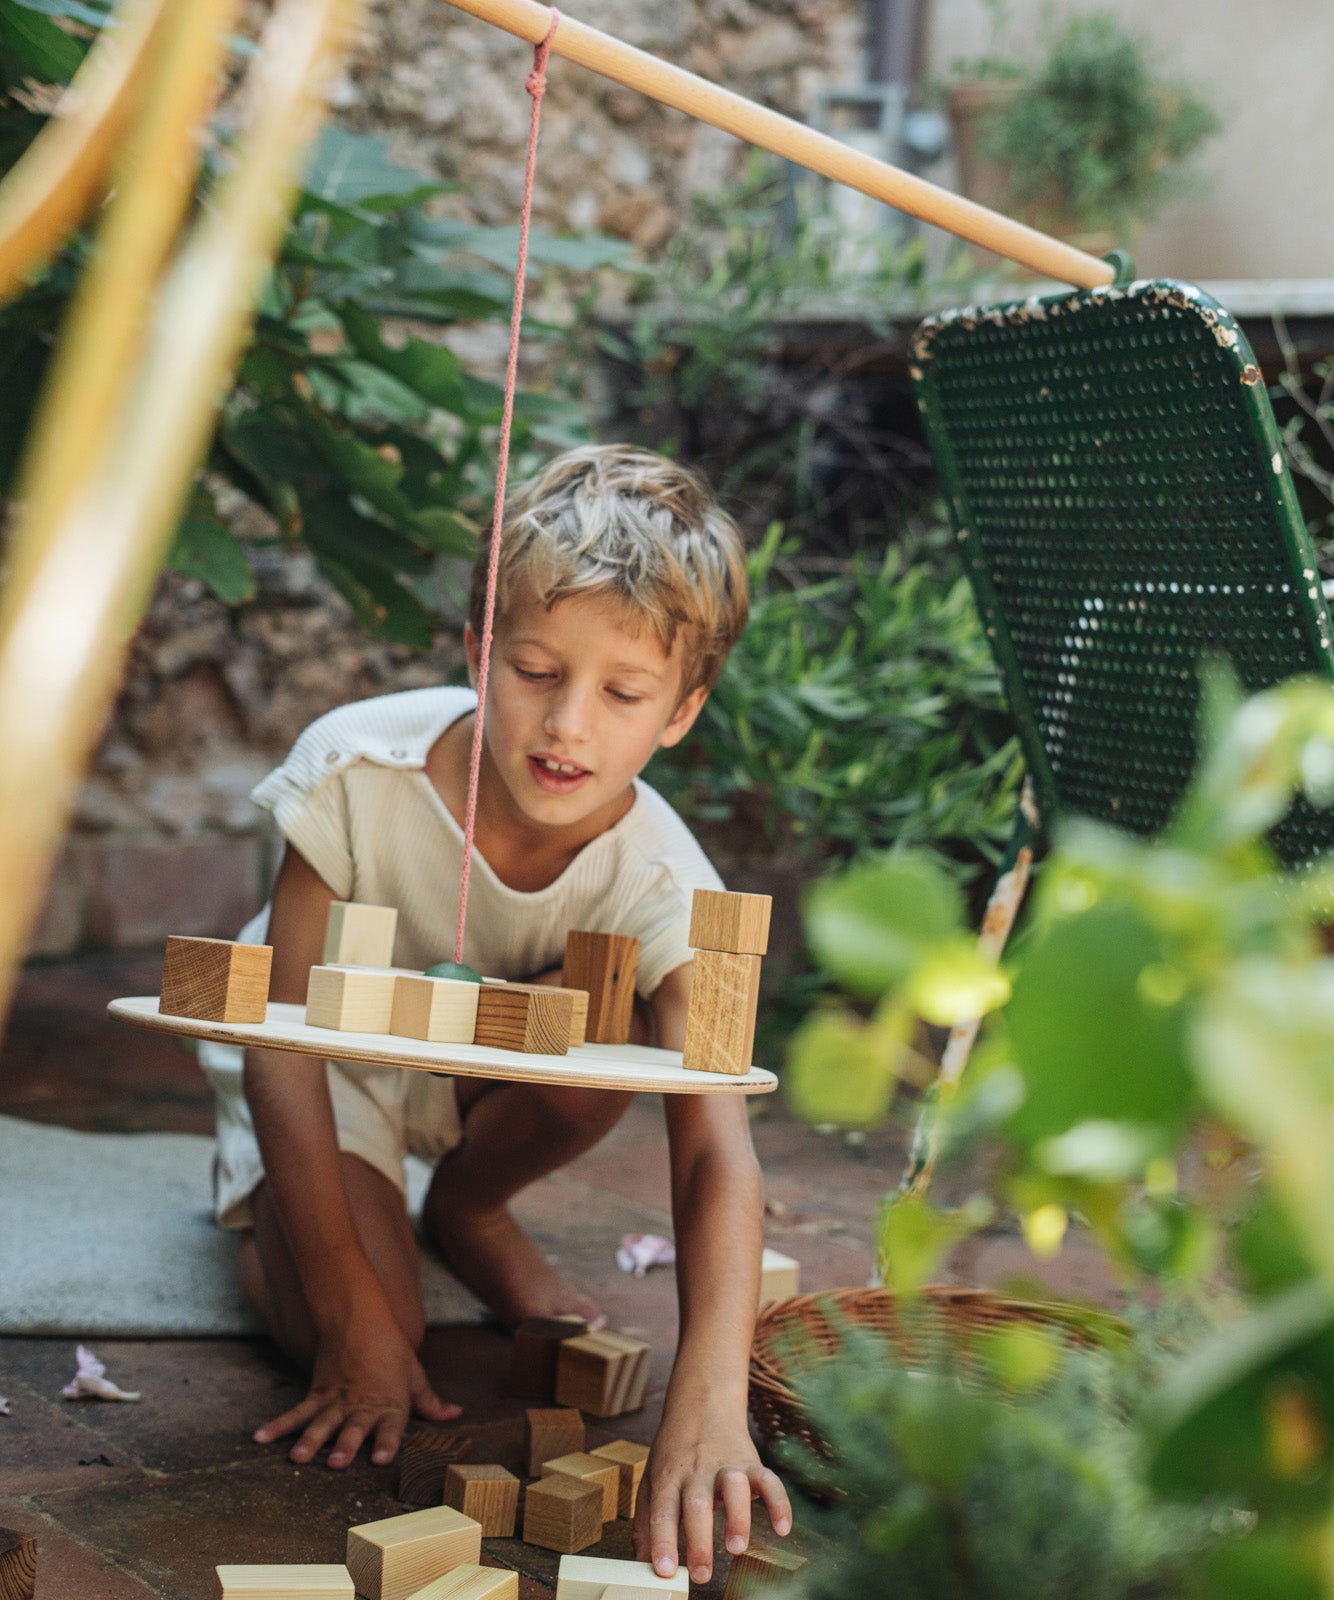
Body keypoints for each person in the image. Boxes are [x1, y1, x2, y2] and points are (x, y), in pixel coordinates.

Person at [198, 443, 791, 1584]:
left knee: (607, 1050)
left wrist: (704, 1396)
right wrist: (350, 1313)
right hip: (333, 1073)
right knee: (355, 1336)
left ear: (680, 711)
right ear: (480, 649)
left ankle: (466, 1209)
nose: (566, 724)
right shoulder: (351, 773)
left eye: (622, 694)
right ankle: (343, 1241)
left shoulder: (676, 885)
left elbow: (717, 1140)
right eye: (531, 668)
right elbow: (277, 1050)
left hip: (498, 1068)